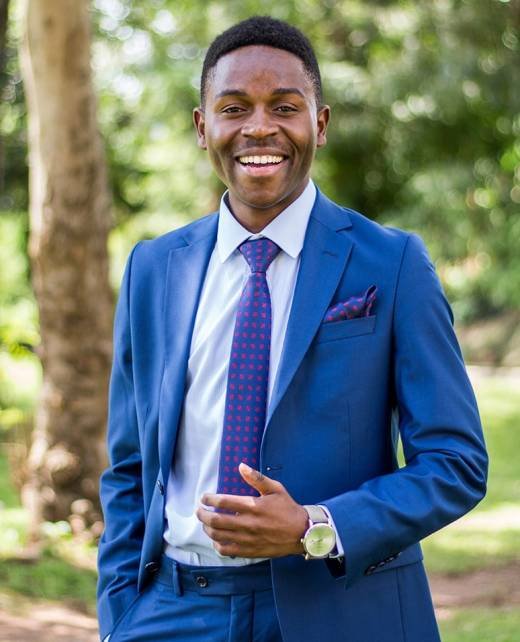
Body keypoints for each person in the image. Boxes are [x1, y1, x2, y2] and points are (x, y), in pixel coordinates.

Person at [96, 15, 488, 642]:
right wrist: (119, 612)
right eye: (233, 108)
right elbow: (130, 464)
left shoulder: (392, 264)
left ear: (319, 124)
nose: (259, 127)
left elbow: (455, 463)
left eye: (284, 106)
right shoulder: (154, 268)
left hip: (340, 609)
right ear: (202, 128)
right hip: (173, 610)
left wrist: (315, 527)